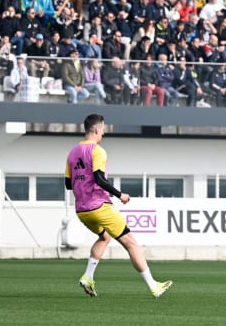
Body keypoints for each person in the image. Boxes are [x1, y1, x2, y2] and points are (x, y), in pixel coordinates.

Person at [66, 113, 172, 299]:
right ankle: (153, 286)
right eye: (103, 129)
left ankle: (88, 277)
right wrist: (119, 194)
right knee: (131, 243)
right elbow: (99, 179)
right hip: (99, 206)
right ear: (97, 129)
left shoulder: (72, 153)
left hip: (82, 210)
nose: (104, 133)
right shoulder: (97, 151)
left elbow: (68, 184)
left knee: (104, 237)